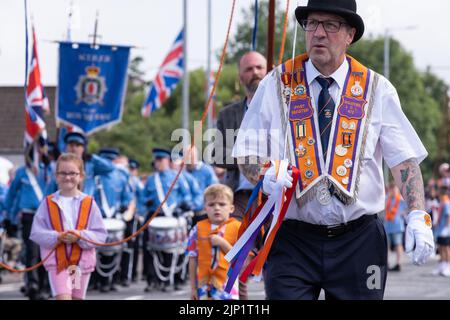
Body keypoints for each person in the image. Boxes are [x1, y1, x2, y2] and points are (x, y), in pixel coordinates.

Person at [232, 0, 434, 300]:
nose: (319, 33)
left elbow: (403, 159)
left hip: (360, 241)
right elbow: (246, 151)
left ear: (350, 34)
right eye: (312, 23)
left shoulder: (377, 89)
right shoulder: (276, 84)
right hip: (292, 241)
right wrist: (265, 174)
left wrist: (418, 214)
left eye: (330, 25)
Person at [214, 51, 267, 300]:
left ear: (267, 70)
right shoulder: (228, 115)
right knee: (237, 256)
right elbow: (219, 156)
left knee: (276, 255)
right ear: (240, 76)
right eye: (249, 69)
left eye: (259, 67)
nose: (255, 72)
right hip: (239, 196)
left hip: (275, 195)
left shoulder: (284, 108)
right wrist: (248, 158)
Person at [30, 153, 107, 300]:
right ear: (56, 176)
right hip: (58, 263)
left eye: (72, 173)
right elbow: (36, 232)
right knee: (63, 297)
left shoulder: (89, 203)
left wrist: (80, 236)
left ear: (81, 176)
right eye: (63, 173)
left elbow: (100, 234)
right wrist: (57, 236)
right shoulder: (48, 203)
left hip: (81, 263)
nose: (67, 177)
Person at [3, 145, 52, 299]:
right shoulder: (22, 172)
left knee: (45, 252)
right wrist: (8, 216)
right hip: (29, 217)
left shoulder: (48, 171)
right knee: (32, 251)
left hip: (48, 217)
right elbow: (11, 195)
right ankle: (33, 284)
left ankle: (44, 284)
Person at [142, 148, 192, 292]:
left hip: (174, 216)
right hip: (156, 216)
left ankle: (177, 279)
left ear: (167, 161)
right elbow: (142, 198)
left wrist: (182, 206)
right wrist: (147, 202)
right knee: (151, 249)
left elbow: (187, 196)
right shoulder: (151, 179)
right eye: (156, 160)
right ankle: (152, 280)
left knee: (177, 248)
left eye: (161, 159)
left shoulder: (178, 177)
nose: (158, 163)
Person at [187, 184, 241, 300]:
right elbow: (192, 259)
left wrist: (223, 243)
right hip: (204, 285)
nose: (217, 208)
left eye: (222, 204)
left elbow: (240, 259)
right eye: (211, 205)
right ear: (205, 208)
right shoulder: (197, 229)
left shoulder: (237, 228)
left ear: (231, 208)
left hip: (228, 285)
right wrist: (193, 288)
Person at [384, 182, 407, 272]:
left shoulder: (400, 199)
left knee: (398, 244)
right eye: (391, 189)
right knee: (387, 245)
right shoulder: (387, 199)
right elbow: (383, 207)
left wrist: (403, 214)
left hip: (397, 225)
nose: (393, 191)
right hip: (388, 225)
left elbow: (408, 207)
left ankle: (398, 263)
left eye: (394, 189)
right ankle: (387, 262)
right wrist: (388, 197)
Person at [432, 185, 450, 277]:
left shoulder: (446, 202)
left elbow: (448, 216)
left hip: (445, 229)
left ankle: (448, 265)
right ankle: (443, 265)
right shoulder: (442, 202)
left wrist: (446, 227)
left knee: (446, 248)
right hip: (440, 228)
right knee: (441, 248)